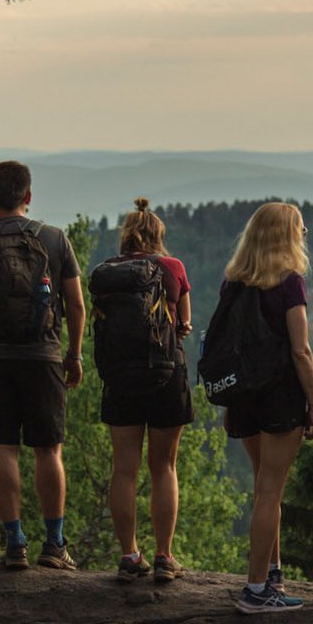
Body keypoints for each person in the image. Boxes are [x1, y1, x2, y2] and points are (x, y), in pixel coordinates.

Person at [0, 161, 87, 570]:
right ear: (28, 196)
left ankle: (14, 544)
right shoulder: (55, 239)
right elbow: (76, 305)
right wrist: (74, 354)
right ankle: (55, 544)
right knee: (48, 450)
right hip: (44, 357)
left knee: (3, 448)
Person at [220, 202, 313, 614]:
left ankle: (272, 572)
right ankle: (257, 589)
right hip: (279, 397)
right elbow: (301, 350)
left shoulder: (233, 282)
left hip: (243, 397)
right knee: (270, 491)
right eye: (300, 227)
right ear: (287, 235)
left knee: (264, 488)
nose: (305, 232)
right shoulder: (289, 282)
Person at [95, 198, 194, 583]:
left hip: (119, 378)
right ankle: (165, 556)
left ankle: (129, 555)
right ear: (158, 236)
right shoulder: (172, 268)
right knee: (164, 466)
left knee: (124, 469)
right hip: (166, 376)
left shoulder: (106, 273)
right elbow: (184, 322)